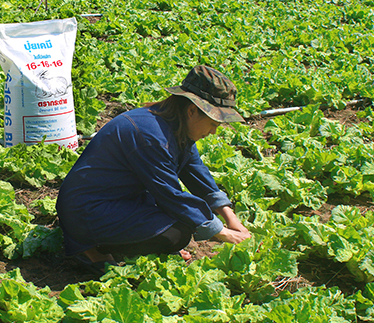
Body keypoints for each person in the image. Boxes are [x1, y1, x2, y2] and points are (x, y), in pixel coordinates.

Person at [56, 65, 252, 270]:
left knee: (177, 224)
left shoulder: (177, 127)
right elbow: (169, 194)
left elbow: (196, 172)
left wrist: (231, 218)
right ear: (192, 110)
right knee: (177, 233)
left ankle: (120, 240)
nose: (213, 131)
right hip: (87, 209)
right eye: (213, 123)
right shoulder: (151, 135)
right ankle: (92, 249)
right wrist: (223, 233)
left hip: (120, 201)